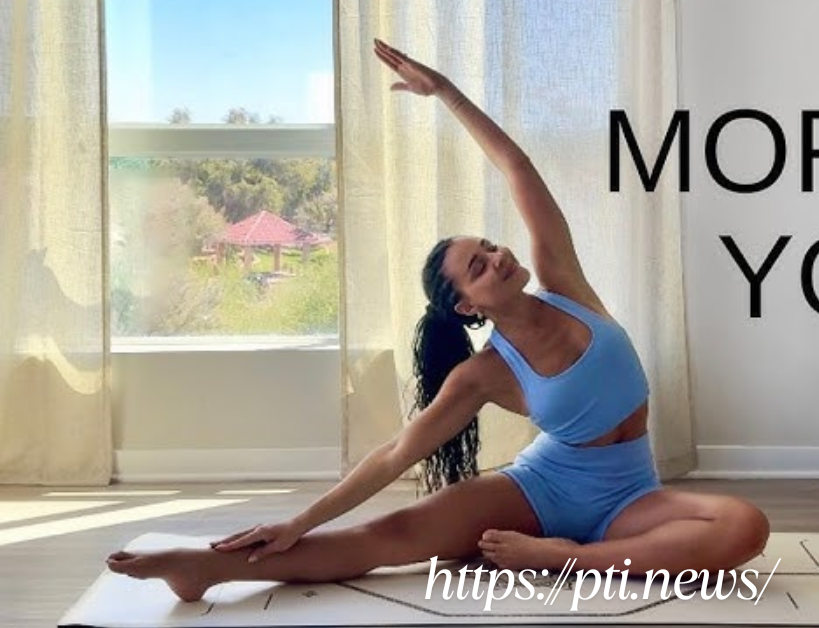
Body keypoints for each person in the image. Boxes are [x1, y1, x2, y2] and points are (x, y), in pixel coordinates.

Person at [106, 38, 770, 603]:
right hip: (537, 493)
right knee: (384, 540)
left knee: (744, 526)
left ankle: (564, 558)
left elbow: (516, 166)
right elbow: (396, 454)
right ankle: (205, 568)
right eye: (479, 266)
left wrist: (445, 92)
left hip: (631, 499)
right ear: (467, 306)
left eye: (491, 246)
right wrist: (298, 521)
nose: (498, 256)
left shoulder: (567, 286)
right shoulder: (484, 375)